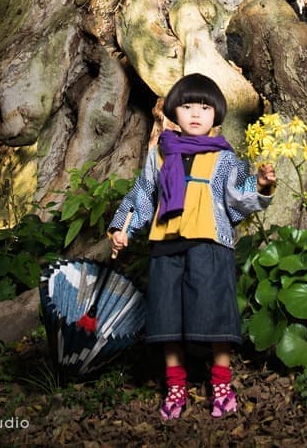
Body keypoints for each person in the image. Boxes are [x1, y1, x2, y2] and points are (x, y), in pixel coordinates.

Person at [108, 72, 276, 420]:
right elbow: (143, 194)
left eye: (204, 106)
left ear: (216, 114)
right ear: (173, 111)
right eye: (187, 106)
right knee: (167, 318)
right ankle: (175, 385)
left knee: (215, 315)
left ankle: (221, 383)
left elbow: (239, 198)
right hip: (165, 246)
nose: (196, 113)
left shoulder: (225, 158)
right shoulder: (160, 154)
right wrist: (121, 228)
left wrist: (260, 186)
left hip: (210, 245)